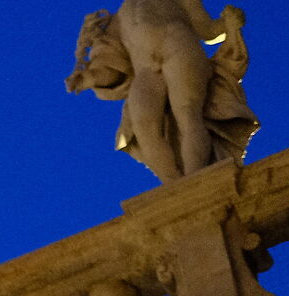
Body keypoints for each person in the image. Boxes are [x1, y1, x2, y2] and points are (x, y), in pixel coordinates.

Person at [68, 2, 256, 185]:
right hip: (145, 69)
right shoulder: (119, 18)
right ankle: (173, 184)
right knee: (142, 128)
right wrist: (89, 78)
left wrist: (230, 23)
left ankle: (194, 177)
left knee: (187, 114)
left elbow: (208, 30)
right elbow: (113, 69)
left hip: (180, 48)